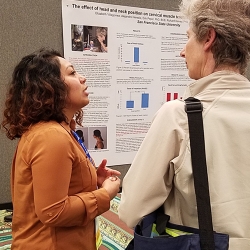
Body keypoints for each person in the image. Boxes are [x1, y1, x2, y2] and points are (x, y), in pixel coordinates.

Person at [118, 0, 250, 249]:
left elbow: (130, 210)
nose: (182, 51)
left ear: (208, 37)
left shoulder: (181, 116)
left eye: (188, 37)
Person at [1, 48, 121, 250]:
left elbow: (61, 188)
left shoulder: (58, 131)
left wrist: (92, 178)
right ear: (50, 86)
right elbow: (53, 211)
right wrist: (105, 195)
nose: (82, 78)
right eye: (72, 73)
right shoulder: (51, 136)